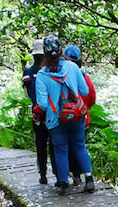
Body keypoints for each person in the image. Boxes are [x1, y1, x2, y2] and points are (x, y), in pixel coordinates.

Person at [34, 36, 96, 195]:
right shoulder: (73, 68)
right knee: (79, 146)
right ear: (61, 50)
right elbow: (84, 91)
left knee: (60, 150)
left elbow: (42, 104)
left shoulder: (41, 75)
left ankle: (63, 184)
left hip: (55, 119)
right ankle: (89, 179)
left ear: (45, 54)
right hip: (76, 115)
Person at [22, 39, 52, 184]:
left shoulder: (28, 72)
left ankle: (43, 174)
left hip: (37, 114)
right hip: (52, 113)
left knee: (40, 145)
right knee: (53, 143)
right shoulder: (51, 70)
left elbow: (27, 95)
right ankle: (59, 175)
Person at [63, 45, 96, 127]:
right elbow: (92, 97)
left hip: (62, 118)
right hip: (81, 117)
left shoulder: (58, 76)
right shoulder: (85, 78)